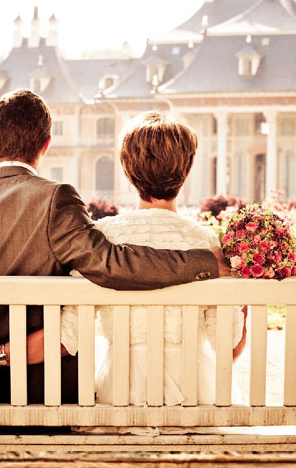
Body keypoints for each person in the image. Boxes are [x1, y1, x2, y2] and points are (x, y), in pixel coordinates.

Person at [0, 90, 230, 404]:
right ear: (46, 144)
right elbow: (111, 265)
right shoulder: (55, 199)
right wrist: (206, 263)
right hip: (46, 399)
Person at [60, 111, 246, 405]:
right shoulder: (205, 242)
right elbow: (228, 348)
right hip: (194, 395)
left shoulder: (102, 240)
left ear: (127, 169)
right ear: (186, 169)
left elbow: (67, 338)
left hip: (122, 395)